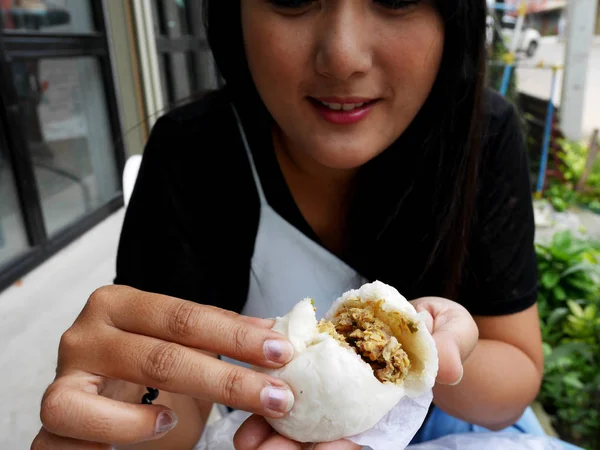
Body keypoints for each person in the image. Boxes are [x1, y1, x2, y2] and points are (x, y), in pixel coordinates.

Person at [32, 0, 562, 449]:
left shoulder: (481, 136)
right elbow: (180, 398)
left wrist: (432, 358)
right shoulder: (194, 153)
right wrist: (119, 406)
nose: (343, 57)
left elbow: (513, 378)